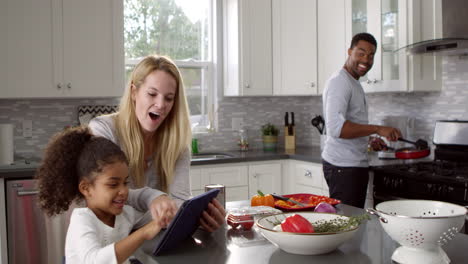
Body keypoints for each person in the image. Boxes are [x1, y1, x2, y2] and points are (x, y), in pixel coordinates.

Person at [89, 55, 225, 232]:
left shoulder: (177, 144)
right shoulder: (103, 131)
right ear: (133, 92)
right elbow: (107, 195)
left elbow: (180, 200)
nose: (161, 104)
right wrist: (154, 199)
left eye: (169, 98)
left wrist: (198, 218)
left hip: (152, 243)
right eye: (152, 94)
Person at [36, 126, 161, 264]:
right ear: (86, 188)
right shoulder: (82, 221)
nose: (124, 191)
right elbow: (94, 260)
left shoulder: (126, 214)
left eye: (125, 183)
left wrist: (161, 207)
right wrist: (143, 233)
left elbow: (154, 218)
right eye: (113, 185)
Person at [321, 33, 402, 208]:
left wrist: (369, 140)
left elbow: (350, 123)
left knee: (353, 224)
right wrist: (377, 129)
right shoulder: (339, 82)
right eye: (361, 52)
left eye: (371, 55)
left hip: (351, 166)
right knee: (347, 225)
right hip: (343, 167)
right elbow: (336, 128)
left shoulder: (353, 82)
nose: (366, 59)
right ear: (350, 51)